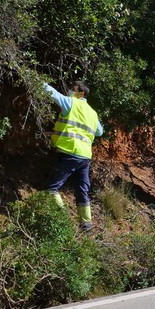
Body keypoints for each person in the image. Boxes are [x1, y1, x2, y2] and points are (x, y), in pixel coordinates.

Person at [43, 80, 103, 233]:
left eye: (72, 89)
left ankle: (63, 220)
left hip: (71, 152)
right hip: (85, 157)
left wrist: (35, 79)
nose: (69, 90)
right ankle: (86, 225)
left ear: (79, 93)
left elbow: (53, 93)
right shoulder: (93, 113)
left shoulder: (70, 103)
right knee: (82, 190)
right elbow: (100, 132)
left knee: (52, 188)